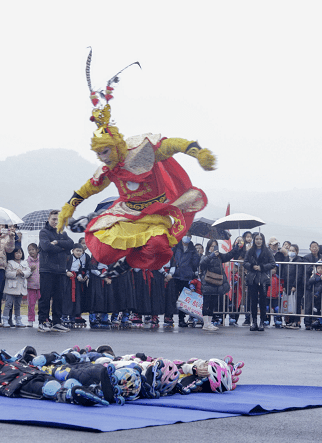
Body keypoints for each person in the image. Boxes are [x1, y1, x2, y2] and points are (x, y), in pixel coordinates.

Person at [55, 53, 215, 277]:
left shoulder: (140, 152)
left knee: (159, 247)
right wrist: (68, 207)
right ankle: (93, 221)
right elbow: (88, 188)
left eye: (105, 151)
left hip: (155, 212)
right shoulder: (108, 169)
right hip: (127, 212)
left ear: (116, 145)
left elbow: (170, 146)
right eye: (99, 153)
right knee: (103, 253)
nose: (103, 157)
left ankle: (128, 264)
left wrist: (196, 152)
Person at [38, 210, 74, 333]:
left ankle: (57, 322)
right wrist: (63, 249)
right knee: (45, 297)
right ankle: (43, 321)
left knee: (59, 297)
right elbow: (46, 247)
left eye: (58, 219)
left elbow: (71, 243)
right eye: (54, 219)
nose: (56, 222)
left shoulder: (62, 232)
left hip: (60, 270)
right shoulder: (44, 232)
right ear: (49, 219)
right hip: (47, 269)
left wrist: (58, 242)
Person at [198, 239, 235, 331]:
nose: (213, 248)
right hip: (207, 282)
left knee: (212, 304)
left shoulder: (219, 256)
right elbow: (202, 264)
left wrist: (236, 248)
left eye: (215, 246)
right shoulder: (205, 256)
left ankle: (209, 323)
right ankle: (205, 323)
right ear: (208, 247)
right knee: (206, 303)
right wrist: (211, 255)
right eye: (211, 246)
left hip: (216, 282)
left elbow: (228, 256)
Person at [244, 233, 277, 331]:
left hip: (263, 278)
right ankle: (254, 321)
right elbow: (245, 263)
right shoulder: (250, 251)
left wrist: (262, 267)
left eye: (260, 239)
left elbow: (272, 263)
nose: (258, 241)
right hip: (252, 279)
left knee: (262, 301)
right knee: (253, 301)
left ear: (263, 240)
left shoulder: (267, 251)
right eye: (257, 239)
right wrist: (252, 266)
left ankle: (262, 321)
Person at [169, 236, 200, 327]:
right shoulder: (176, 247)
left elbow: (195, 264)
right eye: (185, 235)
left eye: (189, 236)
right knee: (172, 298)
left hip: (186, 276)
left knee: (184, 300)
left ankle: (181, 319)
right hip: (175, 275)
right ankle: (169, 317)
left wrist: (196, 255)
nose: (187, 237)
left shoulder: (192, 249)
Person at [4, 248, 32, 328]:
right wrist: (16, 273)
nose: (18, 254)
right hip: (11, 287)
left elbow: (28, 272)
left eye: (20, 253)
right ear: (13, 254)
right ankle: (5, 320)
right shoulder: (10, 263)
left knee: (18, 305)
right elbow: (7, 274)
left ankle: (18, 320)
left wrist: (22, 273)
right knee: (8, 304)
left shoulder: (25, 263)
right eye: (16, 253)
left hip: (21, 288)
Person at [63, 244, 88, 328]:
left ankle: (73, 316)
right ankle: (64, 316)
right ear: (73, 250)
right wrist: (66, 272)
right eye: (77, 250)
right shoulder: (68, 258)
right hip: (68, 280)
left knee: (76, 298)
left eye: (80, 251)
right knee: (67, 298)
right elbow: (63, 266)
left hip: (75, 281)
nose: (78, 253)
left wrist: (80, 276)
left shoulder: (79, 261)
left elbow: (80, 271)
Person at [280, 244, 305, 329]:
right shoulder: (286, 259)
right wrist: (283, 285)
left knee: (296, 303)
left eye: (293, 250)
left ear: (297, 252)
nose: (291, 252)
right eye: (290, 250)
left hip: (296, 285)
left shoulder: (299, 260)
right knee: (287, 303)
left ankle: (296, 321)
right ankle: (288, 321)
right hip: (286, 285)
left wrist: (295, 285)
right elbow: (283, 273)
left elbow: (299, 274)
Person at [301, 241, 321, 330]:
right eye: (312, 247)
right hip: (310, 283)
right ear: (310, 248)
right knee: (308, 304)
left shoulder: (321, 256)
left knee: (318, 304)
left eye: (316, 247)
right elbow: (307, 269)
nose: (314, 248)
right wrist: (317, 266)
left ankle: (316, 321)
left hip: (319, 284)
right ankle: (308, 322)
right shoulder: (306, 257)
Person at [25, 243, 41, 327]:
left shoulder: (41, 260)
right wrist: (30, 270)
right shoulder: (27, 261)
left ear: (37, 250)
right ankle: (30, 320)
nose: (31, 251)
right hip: (31, 286)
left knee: (42, 303)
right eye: (29, 250)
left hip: (41, 286)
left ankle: (43, 319)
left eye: (33, 249)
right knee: (31, 304)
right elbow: (25, 275)